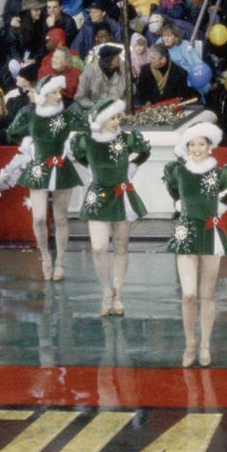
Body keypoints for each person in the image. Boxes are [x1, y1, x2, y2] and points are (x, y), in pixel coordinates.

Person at [163, 122, 227, 367]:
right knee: (189, 295)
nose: (197, 148)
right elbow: (173, 189)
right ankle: (190, 343)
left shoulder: (220, 174)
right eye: (192, 144)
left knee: (207, 295)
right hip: (186, 231)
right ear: (186, 147)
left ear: (210, 146)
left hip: (210, 232)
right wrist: (181, 205)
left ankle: (206, 344)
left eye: (201, 144)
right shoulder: (177, 170)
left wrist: (220, 206)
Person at [70, 98, 150, 316]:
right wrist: (93, 171)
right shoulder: (87, 140)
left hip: (121, 195)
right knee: (98, 247)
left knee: (121, 247)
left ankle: (118, 294)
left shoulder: (126, 139)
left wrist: (131, 168)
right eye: (113, 117)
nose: (117, 121)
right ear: (103, 119)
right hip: (98, 196)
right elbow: (78, 156)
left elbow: (144, 152)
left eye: (118, 117)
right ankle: (106, 291)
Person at [8, 75, 88, 281]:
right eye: (53, 92)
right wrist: (28, 143)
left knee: (60, 217)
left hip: (61, 167)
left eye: (59, 91)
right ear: (43, 95)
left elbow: (87, 130)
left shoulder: (68, 116)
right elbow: (12, 132)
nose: (58, 95)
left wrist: (75, 146)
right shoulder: (30, 115)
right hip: (38, 168)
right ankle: (45, 257)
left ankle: (60, 261)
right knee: (39, 218)